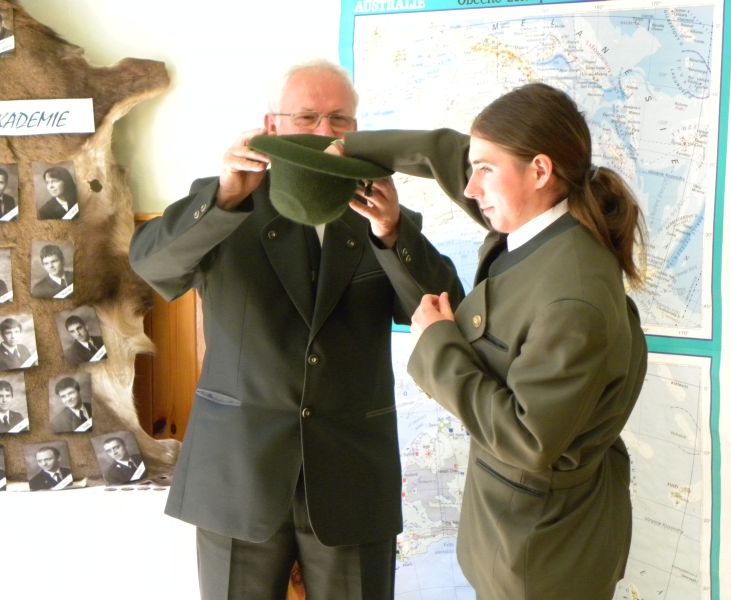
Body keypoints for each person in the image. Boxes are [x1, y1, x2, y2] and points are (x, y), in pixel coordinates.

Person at [128, 58, 464, 600]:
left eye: (339, 120)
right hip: (237, 474)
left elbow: (443, 308)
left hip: (352, 478)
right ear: (272, 126)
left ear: (355, 130)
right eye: (307, 118)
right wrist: (225, 197)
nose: (324, 132)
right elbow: (151, 265)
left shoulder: (383, 216)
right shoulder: (226, 203)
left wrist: (392, 231)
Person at [339, 82, 648, 599]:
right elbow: (446, 152)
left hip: (541, 557)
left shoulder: (572, 297)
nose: (470, 188)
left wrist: (438, 345)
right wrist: (348, 149)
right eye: (474, 168)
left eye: (485, 170)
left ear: (540, 170)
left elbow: (528, 439)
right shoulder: (542, 221)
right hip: (518, 535)